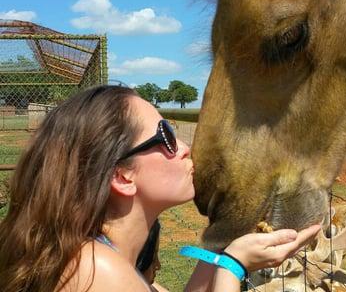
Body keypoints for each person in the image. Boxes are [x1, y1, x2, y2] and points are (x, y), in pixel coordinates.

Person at [0, 85, 320, 292]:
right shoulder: (98, 273)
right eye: (165, 135)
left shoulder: (103, 260)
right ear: (122, 176)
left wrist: (224, 239)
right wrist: (233, 266)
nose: (183, 147)